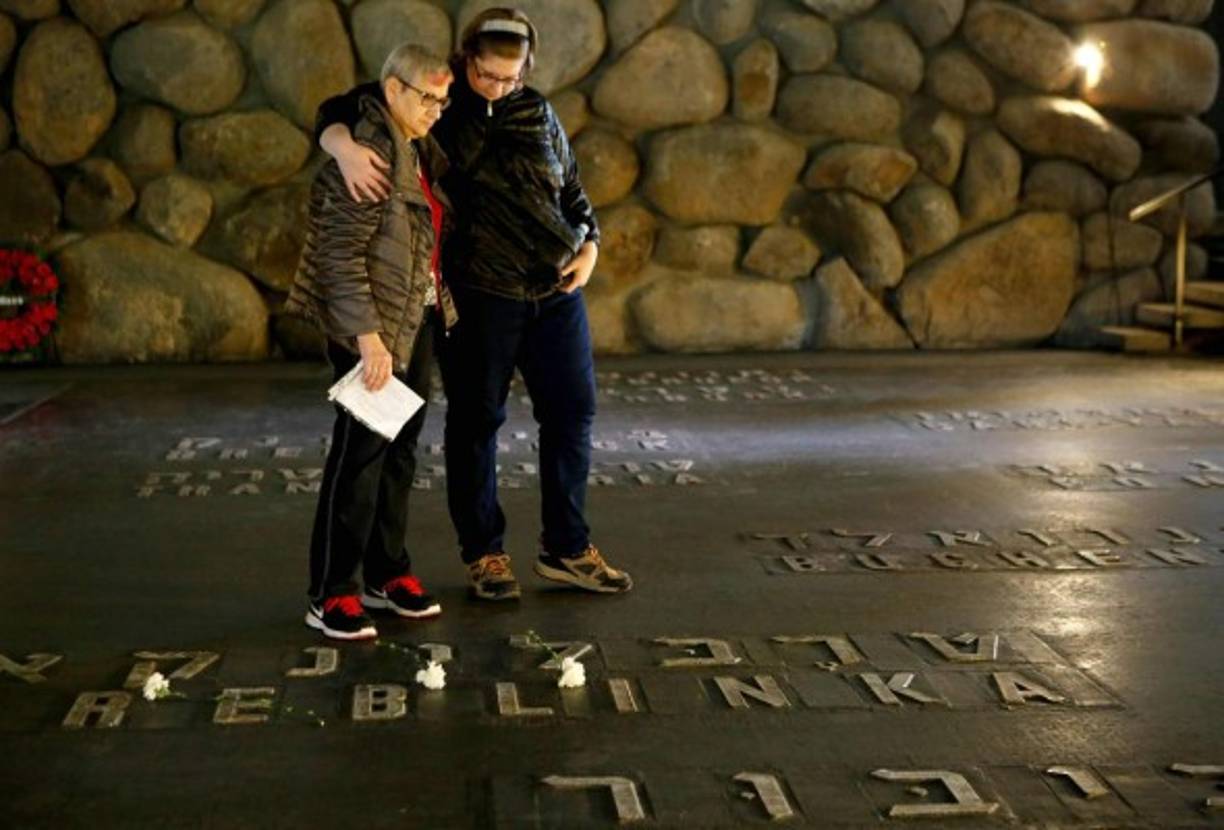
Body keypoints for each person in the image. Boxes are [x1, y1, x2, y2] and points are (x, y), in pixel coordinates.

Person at [315, 7, 632, 601]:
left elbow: (572, 191)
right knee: (475, 421)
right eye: (488, 75)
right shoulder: (437, 106)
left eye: (512, 78)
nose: (500, 87)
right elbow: (349, 106)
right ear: (467, 61)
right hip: (483, 295)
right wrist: (342, 148)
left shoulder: (537, 111)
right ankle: (484, 554)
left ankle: (567, 548)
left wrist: (591, 243)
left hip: (556, 291)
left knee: (573, 413)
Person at [285, 44, 456, 640]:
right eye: (427, 98)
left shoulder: (417, 147)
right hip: (374, 332)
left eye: (443, 100)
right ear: (392, 91)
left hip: (417, 319)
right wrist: (368, 341)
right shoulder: (368, 154)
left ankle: (387, 575)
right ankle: (332, 592)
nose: (436, 109)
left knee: (400, 453)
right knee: (359, 459)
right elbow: (338, 256)